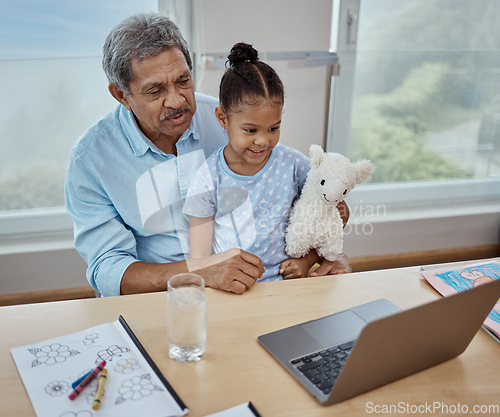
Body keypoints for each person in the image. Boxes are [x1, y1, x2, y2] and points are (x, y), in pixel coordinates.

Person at [64, 13, 351, 297]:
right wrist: (197, 272)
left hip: (262, 286)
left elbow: (300, 198)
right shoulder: (91, 159)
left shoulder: (234, 120)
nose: (177, 100)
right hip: (162, 298)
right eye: (155, 90)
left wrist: (325, 254)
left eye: (183, 80)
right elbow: (108, 269)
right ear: (121, 95)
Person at [184, 42, 323, 280]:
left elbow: (332, 213)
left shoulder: (294, 164)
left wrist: (307, 260)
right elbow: (199, 260)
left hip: (287, 284)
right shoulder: (207, 177)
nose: (262, 141)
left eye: (273, 128)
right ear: (222, 119)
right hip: (231, 287)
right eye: (250, 130)